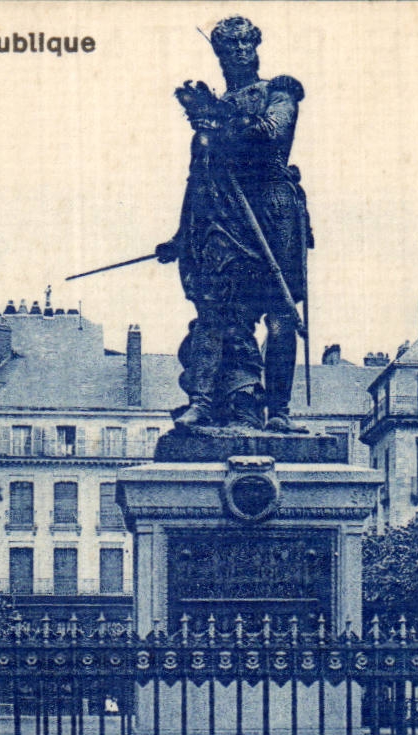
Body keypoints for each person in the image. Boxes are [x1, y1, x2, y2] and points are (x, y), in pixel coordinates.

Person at [156, 15, 312, 432]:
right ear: (219, 55)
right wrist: (180, 236)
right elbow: (200, 177)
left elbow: (271, 136)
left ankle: (278, 412)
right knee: (218, 311)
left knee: (280, 315)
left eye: (246, 46)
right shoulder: (212, 113)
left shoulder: (278, 92)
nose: (239, 55)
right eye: (229, 49)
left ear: (256, 48)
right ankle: (211, 402)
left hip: (273, 209)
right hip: (225, 212)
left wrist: (220, 114)